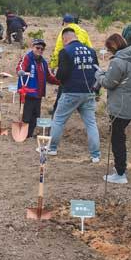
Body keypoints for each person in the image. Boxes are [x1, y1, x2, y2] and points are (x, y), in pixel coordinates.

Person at [47, 28, 101, 162]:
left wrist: (58, 78)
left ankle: (52, 148)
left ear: (65, 39)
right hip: (89, 92)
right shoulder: (91, 51)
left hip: (71, 91)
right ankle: (95, 155)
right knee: (91, 123)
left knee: (58, 119)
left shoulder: (65, 51)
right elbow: (97, 72)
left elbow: (62, 74)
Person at [94, 33, 131, 184]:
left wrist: (99, 75)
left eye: (109, 49)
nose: (109, 52)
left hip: (119, 107)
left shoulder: (118, 61)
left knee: (117, 139)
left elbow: (109, 83)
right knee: (119, 137)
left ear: (113, 46)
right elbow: (121, 78)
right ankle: (119, 169)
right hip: (130, 105)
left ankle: (120, 173)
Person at [16, 39, 59, 138]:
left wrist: (60, 82)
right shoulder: (27, 57)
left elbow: (49, 76)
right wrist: (20, 71)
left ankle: (29, 134)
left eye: (42, 49)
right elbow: (20, 66)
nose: (40, 50)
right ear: (33, 47)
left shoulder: (43, 62)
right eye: (37, 48)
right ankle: (24, 134)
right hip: (28, 92)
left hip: (38, 93)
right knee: (26, 114)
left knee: (35, 115)